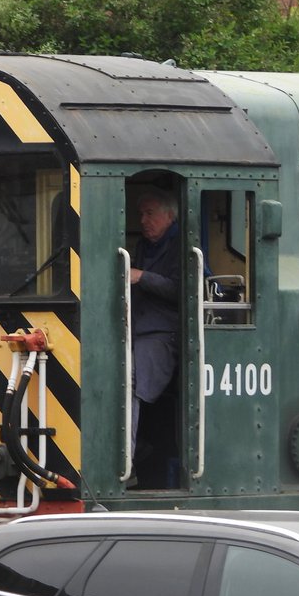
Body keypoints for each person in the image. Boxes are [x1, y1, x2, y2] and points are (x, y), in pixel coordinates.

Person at [128, 189, 181, 476]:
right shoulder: (142, 246)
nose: (143, 220)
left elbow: (182, 289)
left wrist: (142, 277)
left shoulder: (181, 244)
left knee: (132, 376)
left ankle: (126, 459)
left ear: (169, 215)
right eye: (141, 214)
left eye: (150, 213)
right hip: (136, 329)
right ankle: (139, 448)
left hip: (163, 331)